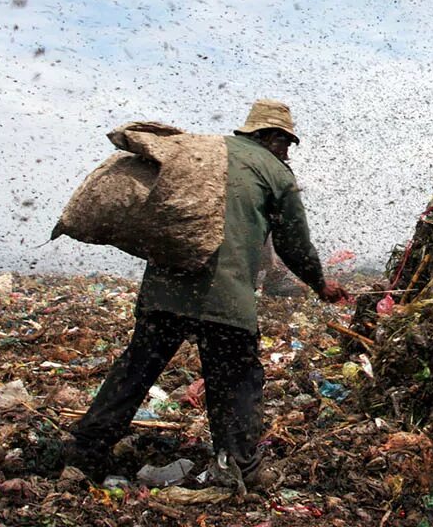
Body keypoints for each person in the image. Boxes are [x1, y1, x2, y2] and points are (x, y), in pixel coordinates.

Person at [63, 99, 349, 486]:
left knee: (137, 367)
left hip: (165, 287)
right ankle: (240, 468)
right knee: (236, 380)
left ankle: (85, 451)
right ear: (271, 136)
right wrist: (320, 283)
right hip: (224, 296)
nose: (287, 152)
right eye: (286, 143)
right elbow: (293, 244)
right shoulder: (275, 173)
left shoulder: (203, 154)